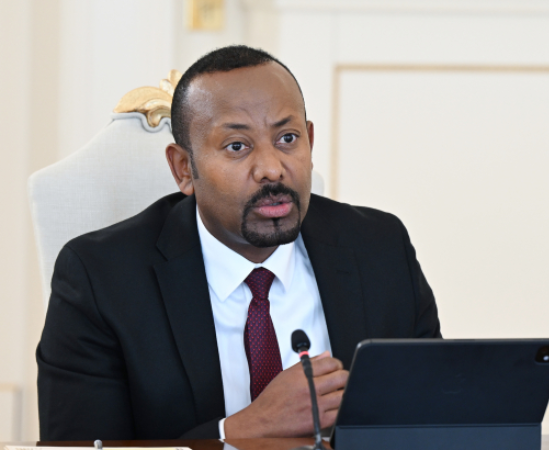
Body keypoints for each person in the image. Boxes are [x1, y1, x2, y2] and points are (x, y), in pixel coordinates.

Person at [37, 45, 441, 441]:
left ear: (310, 141)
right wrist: (243, 430)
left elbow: (437, 418)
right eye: (237, 146)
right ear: (184, 169)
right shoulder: (100, 279)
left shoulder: (379, 249)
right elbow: (77, 447)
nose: (271, 169)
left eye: (287, 138)